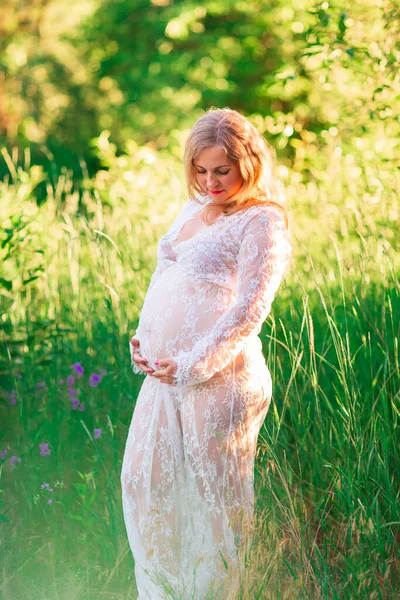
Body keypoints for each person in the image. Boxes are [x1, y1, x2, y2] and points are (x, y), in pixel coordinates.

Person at [120, 107, 292, 599]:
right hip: (165, 375)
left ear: (249, 164)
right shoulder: (191, 208)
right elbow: (164, 276)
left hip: (221, 377)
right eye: (201, 170)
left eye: (223, 170)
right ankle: (165, 592)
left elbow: (250, 308)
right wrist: (144, 336)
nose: (211, 181)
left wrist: (194, 363)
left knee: (213, 499)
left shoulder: (262, 220)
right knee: (143, 480)